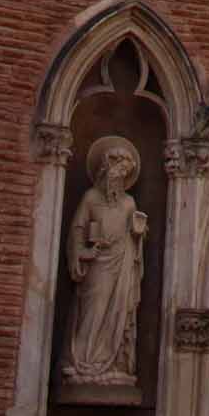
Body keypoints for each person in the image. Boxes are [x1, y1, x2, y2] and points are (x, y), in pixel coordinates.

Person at [59, 135, 148, 390]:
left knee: (118, 313)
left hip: (122, 261)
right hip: (98, 262)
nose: (119, 178)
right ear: (106, 169)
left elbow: (136, 229)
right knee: (93, 308)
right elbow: (77, 229)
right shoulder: (90, 198)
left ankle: (112, 364)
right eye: (117, 171)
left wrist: (139, 232)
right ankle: (83, 362)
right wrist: (81, 253)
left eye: (125, 174)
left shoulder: (129, 202)